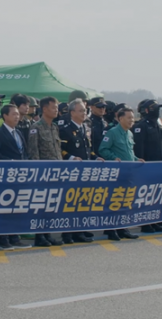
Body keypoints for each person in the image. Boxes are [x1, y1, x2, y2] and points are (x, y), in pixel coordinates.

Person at [0, 104, 31, 250]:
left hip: (19, 176)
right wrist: (8, 162)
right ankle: (3, 238)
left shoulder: (18, 133)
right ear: (5, 116)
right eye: (14, 114)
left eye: (18, 114)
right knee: (4, 207)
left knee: (16, 207)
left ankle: (14, 236)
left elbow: (23, 153)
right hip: (4, 176)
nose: (17, 117)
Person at [59, 99, 100, 244]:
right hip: (72, 172)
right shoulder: (65, 129)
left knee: (83, 202)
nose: (84, 113)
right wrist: (71, 158)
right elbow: (61, 150)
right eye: (81, 110)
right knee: (71, 203)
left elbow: (88, 150)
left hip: (86, 171)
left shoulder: (85, 128)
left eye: (85, 110)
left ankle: (80, 230)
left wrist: (96, 158)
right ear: (72, 113)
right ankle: (68, 233)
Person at [98, 108, 143, 241]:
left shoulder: (129, 133)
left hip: (128, 173)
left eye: (133, 118)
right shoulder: (112, 133)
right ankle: (111, 229)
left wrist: (136, 159)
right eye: (129, 118)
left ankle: (123, 228)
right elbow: (103, 149)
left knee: (125, 201)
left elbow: (129, 153)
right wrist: (113, 158)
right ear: (120, 118)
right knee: (114, 201)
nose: (131, 120)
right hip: (116, 173)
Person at [27, 96, 64, 247]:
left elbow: (58, 151)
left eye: (56, 107)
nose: (56, 110)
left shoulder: (55, 127)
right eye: (53, 107)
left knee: (50, 206)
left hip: (56, 173)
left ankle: (48, 234)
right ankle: (39, 236)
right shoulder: (36, 127)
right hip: (43, 174)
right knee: (40, 206)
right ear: (44, 109)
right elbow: (33, 153)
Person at [132, 100, 162, 233]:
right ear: (146, 110)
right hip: (147, 167)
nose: (157, 111)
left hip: (159, 166)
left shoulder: (158, 125)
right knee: (145, 197)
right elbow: (139, 150)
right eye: (154, 108)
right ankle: (145, 223)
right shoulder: (141, 126)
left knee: (156, 196)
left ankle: (155, 220)